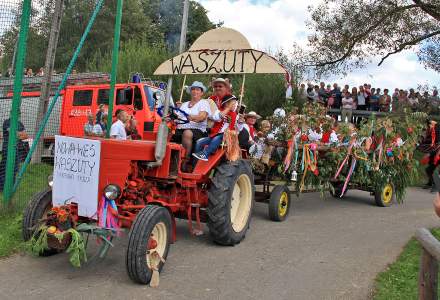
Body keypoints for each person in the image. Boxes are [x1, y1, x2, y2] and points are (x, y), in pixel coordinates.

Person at [172, 81, 210, 160]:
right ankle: (166, 156)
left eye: (197, 90)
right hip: (180, 128)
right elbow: (176, 116)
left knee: (187, 133)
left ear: (202, 92)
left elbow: (202, 117)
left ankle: (186, 159)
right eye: (193, 89)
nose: (195, 91)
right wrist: (175, 111)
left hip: (197, 130)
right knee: (165, 130)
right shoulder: (184, 104)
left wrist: (191, 117)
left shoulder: (204, 103)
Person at [193, 95, 238, 161]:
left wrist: (240, 122)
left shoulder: (235, 114)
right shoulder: (219, 111)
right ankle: (195, 163)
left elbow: (238, 126)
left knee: (217, 138)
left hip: (227, 136)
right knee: (199, 142)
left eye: (235, 104)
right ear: (226, 104)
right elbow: (217, 118)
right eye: (233, 103)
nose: (235, 105)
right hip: (215, 134)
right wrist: (227, 109)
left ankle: (205, 154)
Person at [0, 118, 28, 191]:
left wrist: (18, 134)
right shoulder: (7, 122)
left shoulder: (20, 123)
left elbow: (25, 136)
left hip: (17, 149)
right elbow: (13, 133)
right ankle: (2, 187)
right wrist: (19, 133)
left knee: (15, 168)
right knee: (5, 167)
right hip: (7, 149)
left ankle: (11, 187)